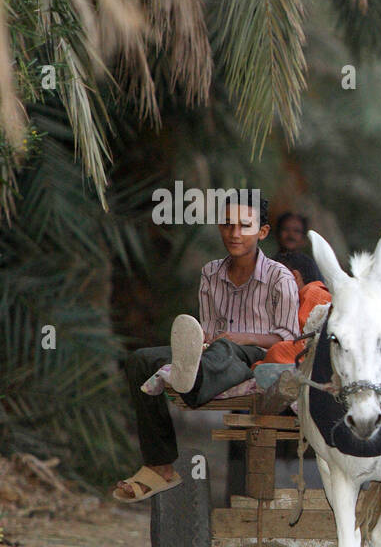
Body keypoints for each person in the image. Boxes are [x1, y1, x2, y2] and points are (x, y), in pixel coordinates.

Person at [113, 198, 298, 502]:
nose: (234, 233)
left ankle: (192, 381)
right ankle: (159, 465)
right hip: (210, 352)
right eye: (227, 224)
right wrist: (206, 341)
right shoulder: (211, 273)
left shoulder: (280, 277)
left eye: (244, 226)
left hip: (256, 355)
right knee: (141, 360)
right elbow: (208, 329)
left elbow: (288, 338)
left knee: (225, 350)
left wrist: (242, 337)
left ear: (263, 231)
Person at [258, 250, 331, 366]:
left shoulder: (313, 291)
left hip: (313, 354)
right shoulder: (297, 300)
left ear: (294, 277)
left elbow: (303, 341)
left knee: (278, 351)